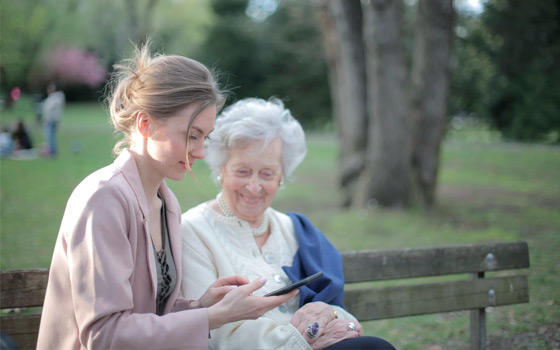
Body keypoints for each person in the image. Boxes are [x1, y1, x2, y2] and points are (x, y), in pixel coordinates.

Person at [36, 45, 296, 350]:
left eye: (205, 137)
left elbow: (149, 314)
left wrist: (202, 305)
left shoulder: (165, 202)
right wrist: (210, 318)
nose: (200, 152)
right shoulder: (103, 199)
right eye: (191, 135)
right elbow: (104, 335)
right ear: (146, 124)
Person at [181, 98, 395, 349]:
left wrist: (330, 316)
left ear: (281, 176)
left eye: (267, 174)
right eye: (242, 171)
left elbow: (340, 314)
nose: (254, 186)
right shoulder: (193, 231)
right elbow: (215, 333)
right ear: (221, 170)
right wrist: (301, 338)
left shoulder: (295, 230)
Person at [41, 82, 65, 156]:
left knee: (50, 136)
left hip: (52, 119)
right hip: (51, 119)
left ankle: (52, 151)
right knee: (50, 136)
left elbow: (49, 108)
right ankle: (52, 151)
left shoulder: (56, 97)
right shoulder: (54, 97)